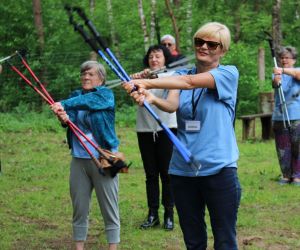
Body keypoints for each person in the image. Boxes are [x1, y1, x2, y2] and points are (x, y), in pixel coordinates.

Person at [124, 22, 241, 250]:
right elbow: (171, 104)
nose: (204, 47)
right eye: (199, 42)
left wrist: (146, 81)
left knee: (225, 240)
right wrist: (150, 98)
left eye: (212, 44)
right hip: (182, 170)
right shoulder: (180, 74)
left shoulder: (228, 74)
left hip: (219, 169)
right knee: (193, 240)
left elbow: (188, 83)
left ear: (223, 50)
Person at [51, 61, 120, 250]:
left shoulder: (106, 95)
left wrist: (63, 103)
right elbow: (71, 120)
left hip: (103, 158)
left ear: (101, 78)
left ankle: (113, 247)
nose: (85, 77)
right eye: (83, 74)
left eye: (90, 74)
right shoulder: (76, 95)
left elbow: (89, 102)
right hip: (79, 159)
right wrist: (64, 117)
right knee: (79, 207)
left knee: (109, 207)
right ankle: (79, 247)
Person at [132, 44, 177, 230]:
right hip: (144, 130)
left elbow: (164, 83)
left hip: (167, 129)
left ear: (165, 59)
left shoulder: (172, 76)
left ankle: (169, 213)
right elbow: (127, 88)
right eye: (151, 56)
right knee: (151, 174)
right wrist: (133, 79)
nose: (154, 59)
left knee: (167, 174)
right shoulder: (142, 78)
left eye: (158, 56)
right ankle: (152, 214)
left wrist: (149, 78)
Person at [272, 46, 300, 186]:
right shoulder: (277, 73)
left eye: (287, 57)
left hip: (297, 115)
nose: (284, 60)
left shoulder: (297, 71)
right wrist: (277, 78)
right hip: (280, 115)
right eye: (282, 58)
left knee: (297, 146)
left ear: (294, 60)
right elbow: (276, 85)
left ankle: (297, 176)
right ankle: (286, 174)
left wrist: (282, 71)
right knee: (283, 147)